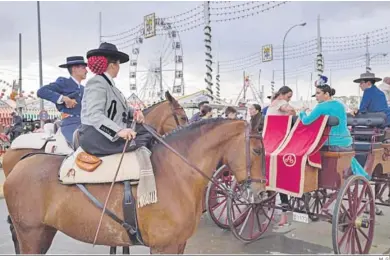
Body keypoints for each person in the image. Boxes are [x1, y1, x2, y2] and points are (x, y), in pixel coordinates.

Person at [78, 42, 152, 156]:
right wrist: (119, 131)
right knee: (143, 140)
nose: (119, 67)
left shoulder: (110, 85)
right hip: (96, 136)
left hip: (105, 133)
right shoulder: (97, 83)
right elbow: (94, 115)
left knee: (149, 132)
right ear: (113, 65)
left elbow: (124, 108)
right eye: (118, 64)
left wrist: (136, 112)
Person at [37, 56, 87, 144]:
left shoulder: (84, 89)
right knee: (82, 147)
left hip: (85, 124)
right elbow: (41, 91)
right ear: (74, 69)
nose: (86, 71)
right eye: (83, 68)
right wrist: (64, 98)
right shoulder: (64, 82)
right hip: (71, 124)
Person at [266, 87, 295, 226]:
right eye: (288, 96)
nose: (289, 99)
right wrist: (294, 111)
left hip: (269, 142)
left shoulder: (271, 104)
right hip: (279, 141)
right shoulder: (279, 103)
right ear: (282, 95)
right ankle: (284, 213)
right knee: (281, 178)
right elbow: (289, 110)